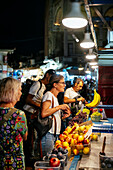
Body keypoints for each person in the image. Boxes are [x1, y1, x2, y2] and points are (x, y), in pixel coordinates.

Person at [23, 69, 56, 163]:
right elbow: (28, 100)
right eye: (51, 76)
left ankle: (31, 157)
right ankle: (29, 160)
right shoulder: (37, 84)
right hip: (28, 114)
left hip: (34, 114)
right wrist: (41, 107)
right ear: (47, 75)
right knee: (30, 138)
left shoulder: (44, 87)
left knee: (33, 137)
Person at [0, 77, 28, 170]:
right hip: (14, 161)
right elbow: (25, 137)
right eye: (19, 90)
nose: (21, 93)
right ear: (13, 92)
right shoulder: (19, 115)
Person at [40, 74, 71, 156]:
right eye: (62, 83)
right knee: (48, 160)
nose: (65, 85)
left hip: (54, 134)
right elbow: (44, 113)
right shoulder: (48, 95)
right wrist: (59, 107)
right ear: (55, 84)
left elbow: (53, 115)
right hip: (48, 134)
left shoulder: (54, 97)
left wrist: (63, 116)